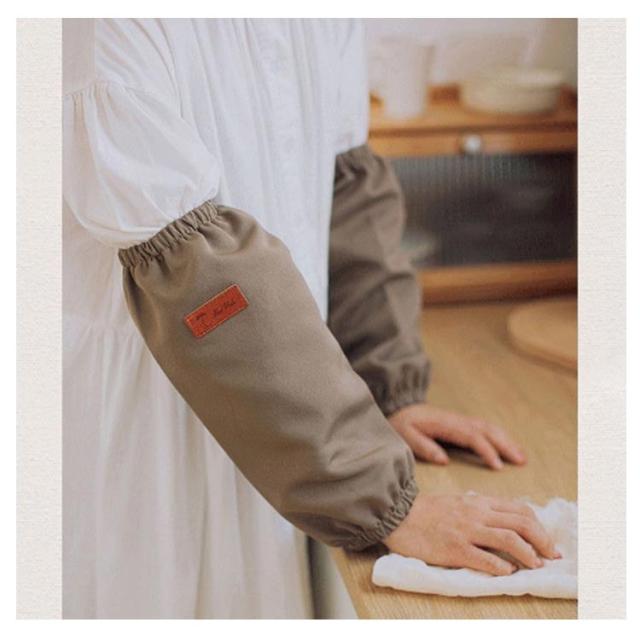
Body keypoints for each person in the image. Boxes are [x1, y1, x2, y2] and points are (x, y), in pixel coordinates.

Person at [63, 18, 557, 619]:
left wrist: (387, 389)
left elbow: (348, 194)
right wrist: (380, 496)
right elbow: (197, 275)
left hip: (295, 418)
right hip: (155, 421)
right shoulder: (104, 24)